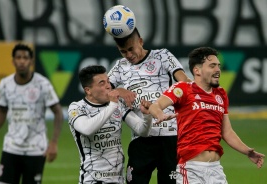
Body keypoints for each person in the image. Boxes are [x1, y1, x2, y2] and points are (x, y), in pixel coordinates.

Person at [148, 47, 265, 183]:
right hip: (191, 170)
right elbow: (155, 106)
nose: (218, 70)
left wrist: (247, 151)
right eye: (212, 66)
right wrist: (160, 114)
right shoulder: (183, 89)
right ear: (197, 70)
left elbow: (227, 132)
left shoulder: (221, 94)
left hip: (215, 170)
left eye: (218, 66)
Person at [107, 27, 191, 184]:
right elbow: (102, 91)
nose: (129, 55)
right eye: (123, 52)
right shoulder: (120, 67)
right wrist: (119, 90)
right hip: (141, 138)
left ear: (140, 41)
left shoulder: (162, 55)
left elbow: (184, 81)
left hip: (170, 136)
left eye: (131, 49)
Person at [0, 43, 63, 184]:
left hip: (36, 149)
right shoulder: (5, 84)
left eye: (25, 58)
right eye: (18, 57)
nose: (22, 61)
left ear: (31, 61)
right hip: (11, 147)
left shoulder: (43, 84)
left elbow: (58, 112)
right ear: (13, 61)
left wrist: (54, 142)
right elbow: (2, 111)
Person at [67, 65, 155, 184]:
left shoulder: (117, 104)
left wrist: (147, 116)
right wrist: (112, 105)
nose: (108, 86)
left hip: (118, 180)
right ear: (88, 90)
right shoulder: (77, 107)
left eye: (108, 81)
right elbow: (87, 129)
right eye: (102, 83)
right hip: (92, 180)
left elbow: (142, 131)